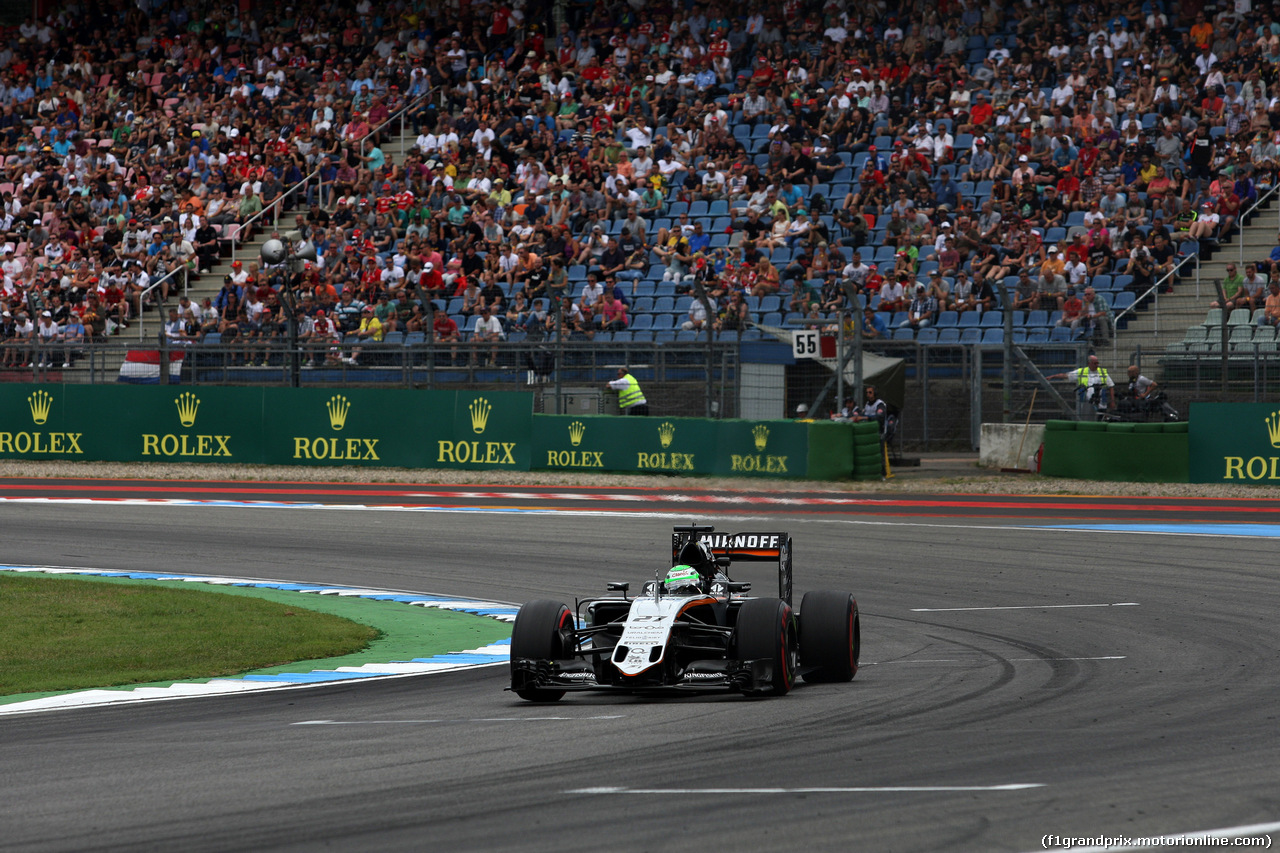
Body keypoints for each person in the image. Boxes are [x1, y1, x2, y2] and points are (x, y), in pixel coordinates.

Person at [1050, 354, 1115, 411]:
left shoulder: (1103, 373)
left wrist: (1112, 401)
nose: (1097, 365)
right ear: (1089, 363)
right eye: (1095, 363)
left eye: (1097, 363)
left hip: (1101, 404)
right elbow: (1066, 375)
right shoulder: (1082, 371)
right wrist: (1053, 376)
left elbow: (1111, 386)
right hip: (1086, 403)